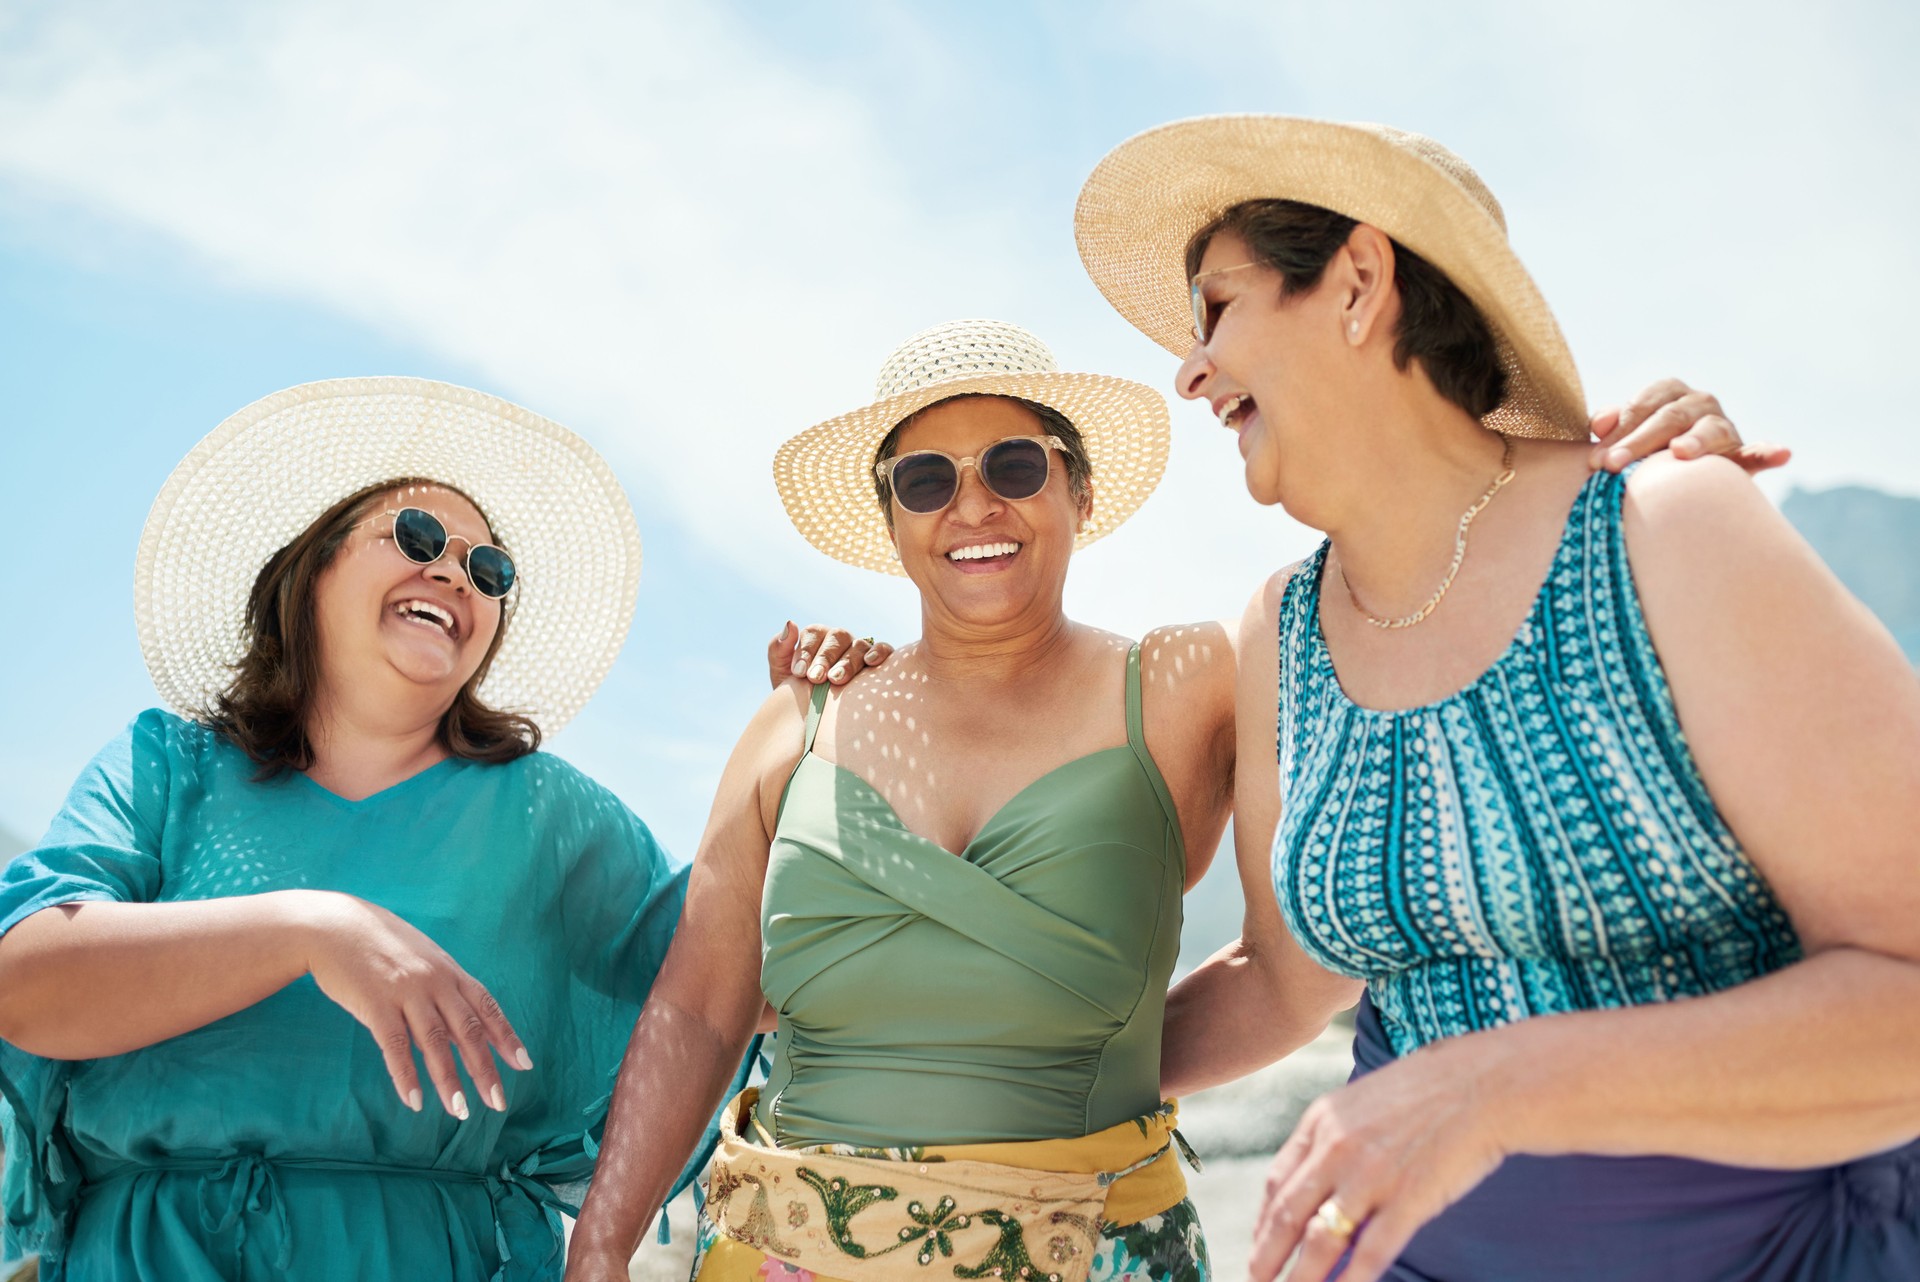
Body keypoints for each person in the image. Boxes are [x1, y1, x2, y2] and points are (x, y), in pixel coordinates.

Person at [561, 319, 1760, 1282]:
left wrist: (1595, 472)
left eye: (1015, 467)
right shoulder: (797, 721)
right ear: (893, 526)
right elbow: (699, 1011)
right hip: (780, 1252)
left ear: (1080, 496)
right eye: (927, 480)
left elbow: (1425, 589)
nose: (972, 505)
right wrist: (603, 1244)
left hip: (1095, 1246)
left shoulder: (1189, 680)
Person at [1075, 115, 1920, 1282]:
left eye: (1216, 308)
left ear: (1360, 282)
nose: (1190, 367)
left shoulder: (1664, 529)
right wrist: (1019, 1073)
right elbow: (1282, 978)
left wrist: (1499, 1088)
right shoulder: (1281, 632)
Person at [0, 377, 885, 1282]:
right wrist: (313, 931)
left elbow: (741, 972)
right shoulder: (168, 768)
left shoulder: (551, 816)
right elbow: (21, 981)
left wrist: (820, 740)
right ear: (311, 568)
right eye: (419, 538)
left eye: (489, 569)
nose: (456, 572)